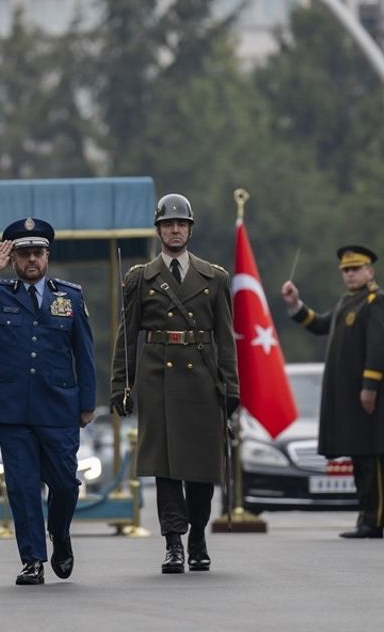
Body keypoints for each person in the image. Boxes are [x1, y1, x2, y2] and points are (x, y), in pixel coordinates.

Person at [0, 217, 96, 586]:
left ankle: (59, 534)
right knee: (23, 485)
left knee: (65, 483)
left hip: (58, 405)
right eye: (24, 253)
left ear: (48, 256)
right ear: (13, 258)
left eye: (38, 253)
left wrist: (87, 403)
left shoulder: (69, 297)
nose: (32, 260)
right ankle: (32, 560)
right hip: (11, 407)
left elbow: (85, 353)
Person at [110, 194, 239, 574]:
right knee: (165, 468)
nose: (175, 230)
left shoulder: (215, 279)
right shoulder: (139, 278)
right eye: (168, 224)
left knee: (201, 467)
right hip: (156, 380)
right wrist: (121, 385)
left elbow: (226, 337)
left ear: (191, 229)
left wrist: (231, 385)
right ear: (159, 230)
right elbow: (127, 336)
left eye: (181, 224)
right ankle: (172, 544)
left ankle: (197, 536)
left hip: (201, 379)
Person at [281, 244, 384, 539]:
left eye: (355, 270)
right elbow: (321, 324)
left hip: (369, 398)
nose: (350, 275)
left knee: (373, 458)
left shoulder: (375, 301)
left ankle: (375, 520)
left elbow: (379, 346)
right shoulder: (348, 301)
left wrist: (369, 387)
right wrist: (295, 306)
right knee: (360, 458)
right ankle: (365, 516)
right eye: (346, 271)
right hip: (354, 400)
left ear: (370, 271)